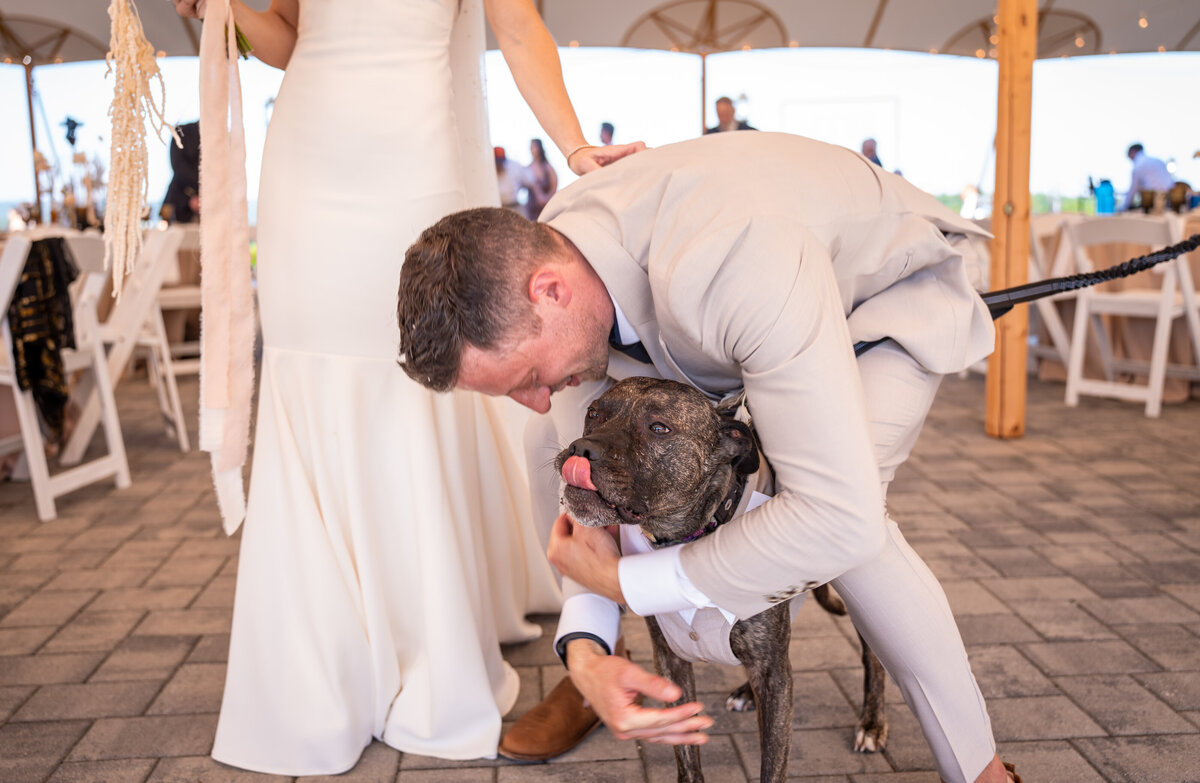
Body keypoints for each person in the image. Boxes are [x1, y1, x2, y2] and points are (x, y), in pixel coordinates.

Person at [396, 132, 1023, 783]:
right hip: (757, 316)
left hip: (886, 298)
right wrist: (586, 645)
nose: (530, 399)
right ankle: (596, 677)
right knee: (544, 446)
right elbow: (584, 499)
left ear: (550, 291)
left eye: (526, 374)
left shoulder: (736, 258)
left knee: (848, 524)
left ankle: (981, 771)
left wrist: (631, 584)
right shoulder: (551, 257)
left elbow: (842, 517)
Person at [171, 0, 644, 775]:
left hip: (411, 158)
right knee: (313, 368)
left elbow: (519, 27)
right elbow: (289, 42)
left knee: (413, 376)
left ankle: (429, 638)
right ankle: (322, 655)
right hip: (307, 162)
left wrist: (574, 145)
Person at [159, 121, 201, 223]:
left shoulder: (224, 136)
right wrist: (192, 198)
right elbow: (179, 168)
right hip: (180, 203)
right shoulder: (182, 132)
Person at [1122, 142, 1173, 211]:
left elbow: (1133, 189)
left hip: (1152, 203)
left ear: (1132, 152)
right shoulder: (1158, 161)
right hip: (1170, 201)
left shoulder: (1138, 165)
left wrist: (1124, 207)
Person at [523, 137, 558, 220]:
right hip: (532, 210)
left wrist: (547, 198)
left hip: (547, 207)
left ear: (539, 148)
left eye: (533, 147)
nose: (532, 149)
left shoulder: (547, 167)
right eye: (531, 147)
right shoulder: (528, 168)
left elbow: (554, 185)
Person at [495, 146, 523, 212]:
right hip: (501, 208)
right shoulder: (490, 174)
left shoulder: (514, 167)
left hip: (515, 206)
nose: (499, 165)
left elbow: (529, 181)